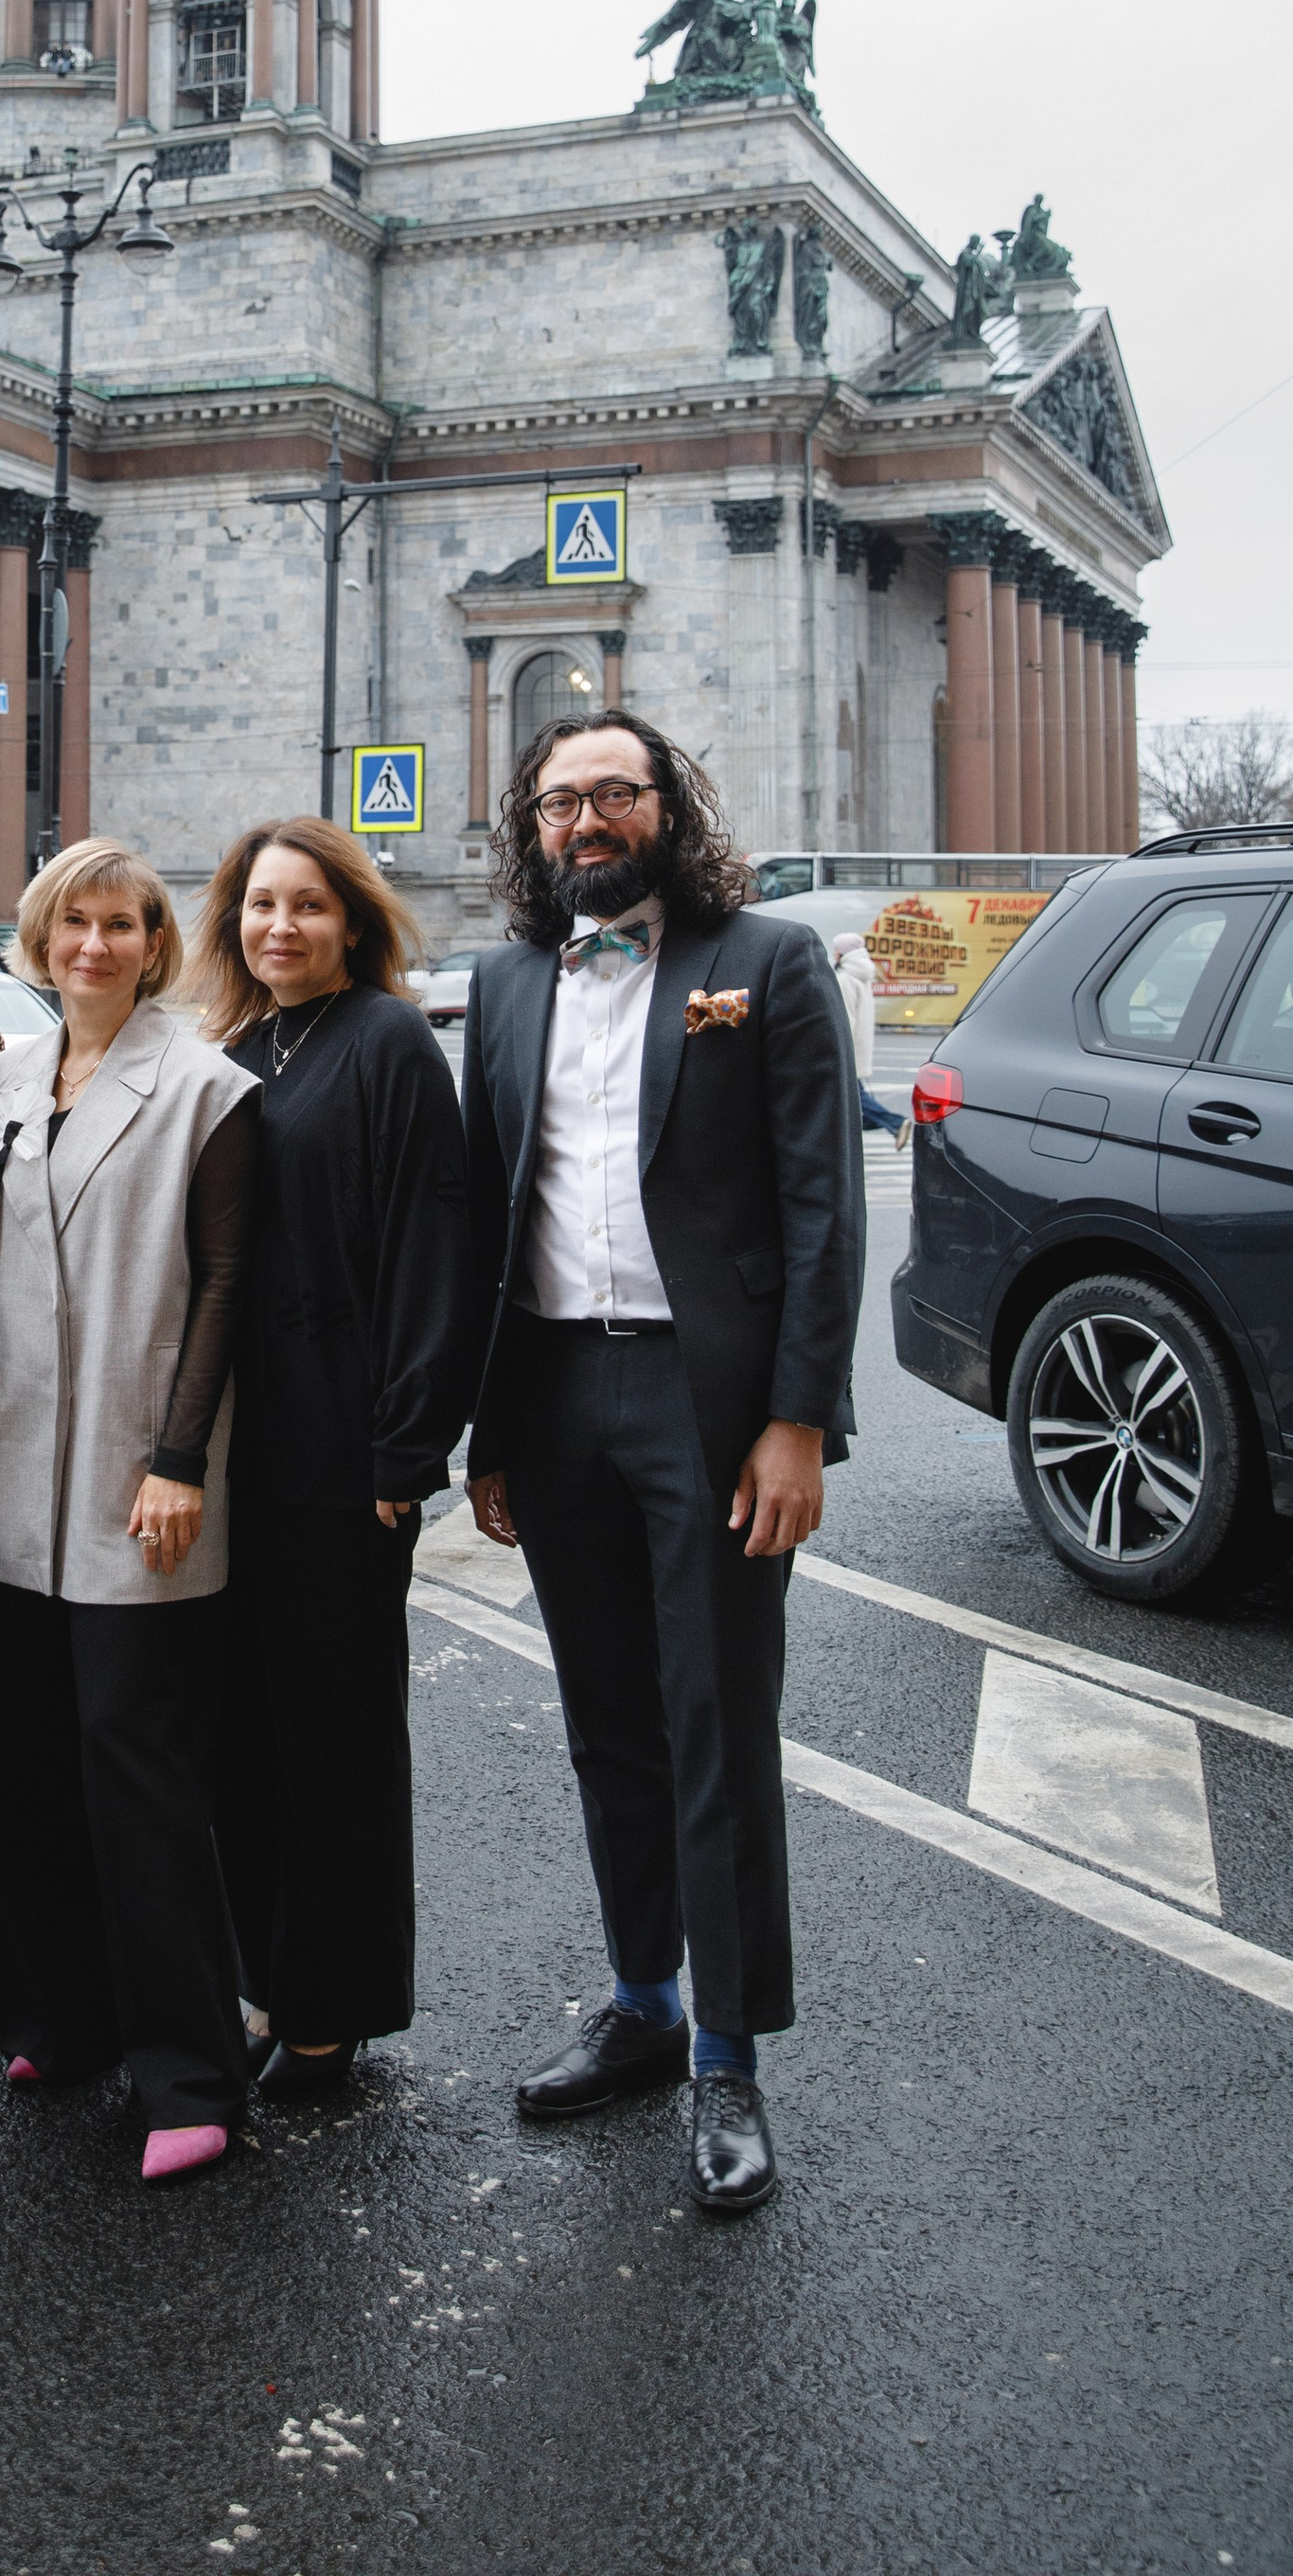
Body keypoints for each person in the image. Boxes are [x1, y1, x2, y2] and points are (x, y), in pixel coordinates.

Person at [461, 717, 861, 2216]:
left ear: (665, 808)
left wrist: (798, 1418)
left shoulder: (765, 964)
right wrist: (489, 1430)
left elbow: (824, 1205)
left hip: (711, 1406)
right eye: (560, 800)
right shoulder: (503, 986)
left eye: (611, 793)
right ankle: (641, 2002)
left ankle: (729, 2056)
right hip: (557, 1389)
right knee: (608, 1721)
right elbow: (486, 1220)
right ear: (534, 826)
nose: (584, 820)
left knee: (716, 1719)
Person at [0, 840, 259, 2183]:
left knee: (139, 1775)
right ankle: (52, 2017)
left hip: (139, 1478)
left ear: (155, 943)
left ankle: (188, 2067)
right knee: (17, 1764)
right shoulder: (6, 1079)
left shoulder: (207, 1089)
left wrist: (181, 1457)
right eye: (72, 922)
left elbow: (228, 1282)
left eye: (122, 924)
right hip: (0, 1473)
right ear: (38, 935)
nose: (94, 945)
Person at [192, 818, 475, 2101]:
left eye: (309, 906)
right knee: (240, 1730)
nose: (282, 929)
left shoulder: (389, 1045)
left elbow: (436, 1255)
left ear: (352, 921)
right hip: (240, 1451)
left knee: (336, 1739)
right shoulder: (240, 1045)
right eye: (261, 906)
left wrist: (407, 1448)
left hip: (345, 1450)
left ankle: (331, 2010)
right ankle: (262, 1980)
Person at [831, 929, 907, 1140]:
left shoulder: (845, 978)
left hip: (849, 1045)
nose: (834, 954)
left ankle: (895, 1122)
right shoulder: (862, 976)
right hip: (860, 1042)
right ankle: (878, 1123)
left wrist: (839, 1047)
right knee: (854, 1092)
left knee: (853, 1094)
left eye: (837, 950)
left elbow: (845, 1018)